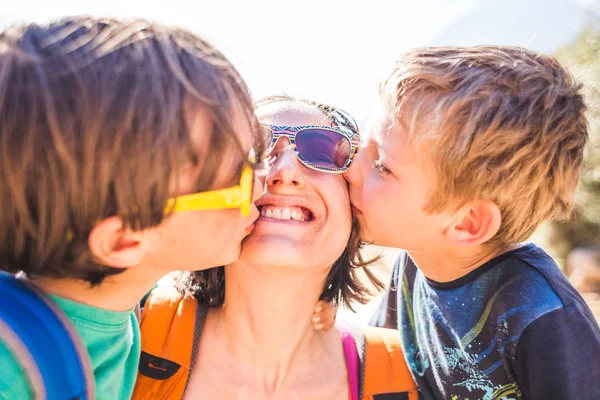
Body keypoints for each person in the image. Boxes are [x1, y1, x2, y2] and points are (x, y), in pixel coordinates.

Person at [0, 16, 266, 399]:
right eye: (237, 177)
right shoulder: (10, 370)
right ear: (123, 240)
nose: (260, 184)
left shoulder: (124, 310)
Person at [342, 46, 600, 399]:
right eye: (361, 147)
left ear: (467, 223)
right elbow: (376, 362)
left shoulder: (545, 316)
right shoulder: (413, 264)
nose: (352, 168)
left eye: (382, 166)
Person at [131, 96, 418, 400]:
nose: (285, 173)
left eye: (322, 152)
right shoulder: (131, 327)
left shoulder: (408, 376)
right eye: (257, 151)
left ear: (354, 210)